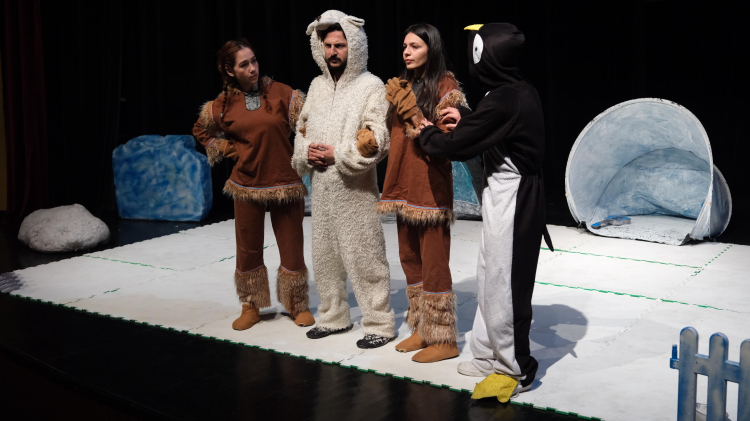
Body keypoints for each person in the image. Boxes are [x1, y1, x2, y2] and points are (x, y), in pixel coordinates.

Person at [416, 23, 554, 400]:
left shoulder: (508, 98)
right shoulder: (509, 91)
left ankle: (514, 369)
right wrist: (466, 116)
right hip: (502, 193)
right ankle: (487, 353)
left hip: (515, 198)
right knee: (489, 277)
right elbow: (492, 126)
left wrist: (428, 133)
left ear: (486, 56)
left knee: (505, 287)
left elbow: (458, 146)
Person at [192, 38, 314, 331]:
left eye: (254, 60)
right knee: (247, 248)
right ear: (229, 70)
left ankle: (296, 303)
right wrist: (224, 148)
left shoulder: (282, 93)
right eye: (244, 64)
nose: (253, 68)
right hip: (246, 185)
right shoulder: (222, 106)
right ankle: (251, 305)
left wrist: (307, 149)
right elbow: (200, 129)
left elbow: (310, 124)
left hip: (285, 182)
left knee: (292, 245)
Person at [291, 10, 395, 349]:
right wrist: (306, 153)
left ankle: (379, 323)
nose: (333, 51)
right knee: (325, 259)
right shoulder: (317, 86)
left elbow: (377, 138)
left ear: (355, 46)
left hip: (356, 192)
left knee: (366, 257)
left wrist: (338, 154)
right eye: (328, 45)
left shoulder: (371, 86)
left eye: (340, 45)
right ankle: (333, 317)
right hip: (322, 191)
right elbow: (301, 130)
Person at [378, 23, 468, 363]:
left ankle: (445, 339)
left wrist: (413, 112)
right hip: (402, 185)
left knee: (434, 264)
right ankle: (422, 327)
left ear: (432, 48)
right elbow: (392, 134)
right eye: (404, 46)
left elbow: (446, 140)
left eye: (414, 46)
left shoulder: (446, 86)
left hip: (430, 187)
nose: (407, 52)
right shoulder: (404, 85)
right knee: (410, 259)